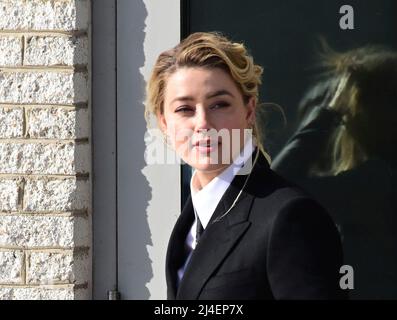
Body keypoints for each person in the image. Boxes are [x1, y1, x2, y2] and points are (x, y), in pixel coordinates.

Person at [145, 32, 345, 300]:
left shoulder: (290, 216)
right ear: (164, 123)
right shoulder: (190, 219)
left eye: (219, 104)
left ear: (249, 111)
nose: (202, 123)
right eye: (185, 109)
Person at [272, 46, 397, 299]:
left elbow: (276, 190)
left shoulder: (376, 182)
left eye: (348, 111)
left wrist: (327, 113)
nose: (346, 122)